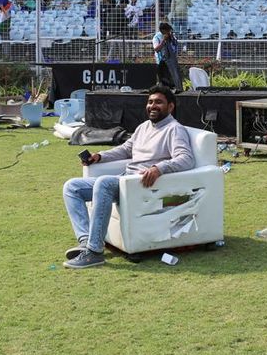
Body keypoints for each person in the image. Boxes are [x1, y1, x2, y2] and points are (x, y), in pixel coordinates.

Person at [62, 85, 194, 269]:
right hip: (125, 179)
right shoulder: (143, 127)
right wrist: (100, 156)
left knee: (104, 182)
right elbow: (126, 149)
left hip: (142, 185)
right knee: (72, 187)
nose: (153, 106)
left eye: (158, 102)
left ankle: (94, 252)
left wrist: (159, 168)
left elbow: (186, 159)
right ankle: (85, 241)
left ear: (170, 107)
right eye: (150, 102)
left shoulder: (174, 129)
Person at [153, 22, 182, 90]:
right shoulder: (156, 37)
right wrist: (164, 40)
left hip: (171, 61)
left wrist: (172, 38)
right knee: (163, 81)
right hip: (161, 62)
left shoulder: (171, 36)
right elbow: (156, 49)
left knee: (173, 79)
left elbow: (175, 45)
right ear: (163, 30)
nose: (169, 32)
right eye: (168, 30)